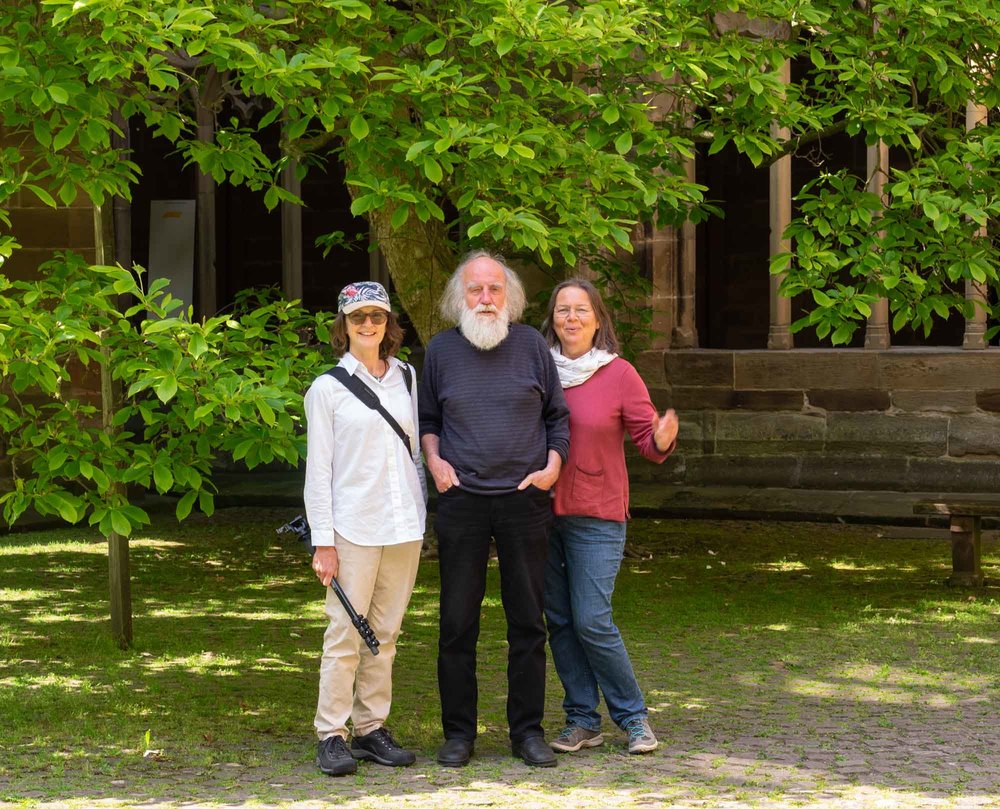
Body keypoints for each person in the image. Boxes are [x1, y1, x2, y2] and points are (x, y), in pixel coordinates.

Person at [419, 250, 570, 768]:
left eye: (495, 289)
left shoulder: (532, 346)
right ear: (458, 298)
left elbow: (558, 417)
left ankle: (527, 732)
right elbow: (428, 421)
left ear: (511, 297)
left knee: (528, 622)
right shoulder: (440, 350)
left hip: (525, 501)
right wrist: (436, 463)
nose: (485, 299)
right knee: (456, 623)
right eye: (476, 290)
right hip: (461, 501)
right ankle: (459, 734)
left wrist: (551, 468)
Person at [539, 278, 678, 756]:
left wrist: (661, 436)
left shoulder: (618, 373)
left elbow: (647, 440)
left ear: (598, 318)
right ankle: (582, 720)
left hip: (597, 514)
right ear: (552, 319)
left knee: (592, 619)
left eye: (580, 310)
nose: (571, 318)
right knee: (558, 620)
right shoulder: (538, 369)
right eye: (562, 310)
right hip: (540, 514)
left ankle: (634, 718)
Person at [304, 281, 427, 777]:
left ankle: (372, 728)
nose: (368, 326)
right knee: (343, 635)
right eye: (358, 319)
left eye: (377, 317)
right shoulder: (327, 389)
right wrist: (323, 543)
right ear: (344, 326)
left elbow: (415, 450)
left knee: (386, 633)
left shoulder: (408, 379)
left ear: (389, 324)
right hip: (352, 527)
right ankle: (331, 734)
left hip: (403, 526)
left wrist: (422, 513)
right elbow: (319, 472)